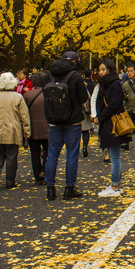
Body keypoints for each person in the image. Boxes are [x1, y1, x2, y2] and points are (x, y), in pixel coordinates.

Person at [44, 51, 89, 200]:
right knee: (71, 154)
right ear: (75, 62)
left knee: (52, 154)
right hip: (72, 120)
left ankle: (50, 188)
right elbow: (83, 97)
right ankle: (69, 187)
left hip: (54, 120)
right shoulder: (75, 76)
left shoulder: (49, 74)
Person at [0, 72, 32, 189]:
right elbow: (24, 116)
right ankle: (10, 180)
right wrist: (27, 132)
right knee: (12, 156)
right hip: (12, 130)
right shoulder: (17, 97)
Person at [92, 58, 131, 197]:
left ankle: (115, 186)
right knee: (115, 155)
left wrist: (100, 117)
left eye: (104, 69)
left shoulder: (114, 84)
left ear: (110, 69)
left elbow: (114, 105)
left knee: (114, 156)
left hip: (112, 123)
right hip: (107, 122)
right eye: (99, 70)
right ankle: (117, 185)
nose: (101, 72)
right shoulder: (104, 84)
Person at [24, 71, 50, 185]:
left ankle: (37, 175)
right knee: (49, 151)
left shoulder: (27, 95)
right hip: (47, 128)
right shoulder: (49, 94)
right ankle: (44, 171)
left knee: (34, 153)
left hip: (33, 128)